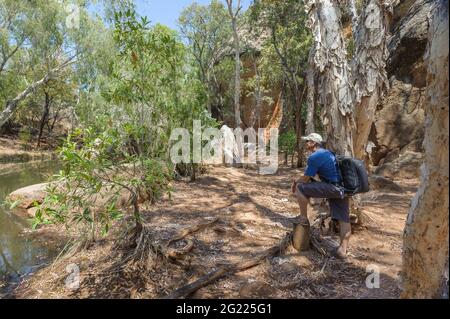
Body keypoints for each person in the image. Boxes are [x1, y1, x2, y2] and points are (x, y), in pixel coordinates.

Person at [291, 133, 351, 259]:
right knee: (344, 219)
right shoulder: (328, 153)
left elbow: (306, 179)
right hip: (342, 189)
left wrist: (296, 182)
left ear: (314, 143)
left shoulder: (314, 156)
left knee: (300, 188)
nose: (306, 143)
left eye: (308, 141)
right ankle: (342, 251)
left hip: (332, 188)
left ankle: (303, 218)